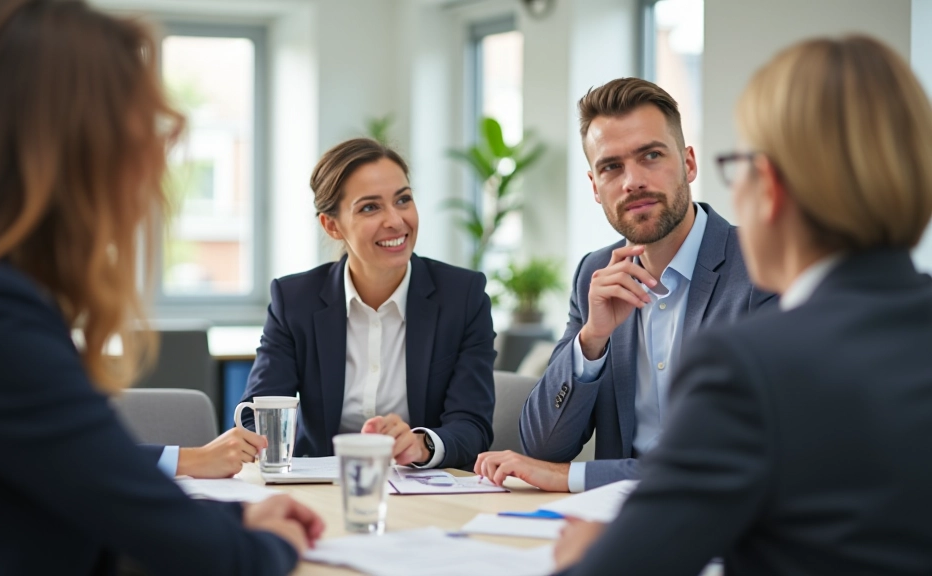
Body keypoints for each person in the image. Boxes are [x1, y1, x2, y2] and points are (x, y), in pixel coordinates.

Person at [0, 1, 322, 574]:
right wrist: (272, 543)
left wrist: (236, 519)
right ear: (73, 147)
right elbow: (205, 557)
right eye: (140, 132)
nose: (152, 167)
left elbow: (70, 498)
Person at [555, 34, 932, 575]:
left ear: (768, 186)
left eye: (737, 165)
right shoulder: (598, 274)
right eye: (612, 167)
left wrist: (583, 556)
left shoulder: (751, 364)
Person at [476, 78, 774, 492]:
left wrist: (573, 476)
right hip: (614, 515)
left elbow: (746, 456)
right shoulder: (594, 273)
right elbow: (543, 445)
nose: (632, 181)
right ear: (595, 187)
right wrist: (591, 340)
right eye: (611, 167)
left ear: (688, 163)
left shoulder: (764, 266)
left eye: (651, 156)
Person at [240, 138, 496, 469]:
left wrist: (421, 445)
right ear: (332, 225)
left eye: (403, 200)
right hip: (320, 485)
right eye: (370, 208)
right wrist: (266, 447)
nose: (396, 221)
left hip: (421, 486)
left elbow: (473, 426)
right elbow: (258, 412)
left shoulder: (462, 297)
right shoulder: (295, 301)